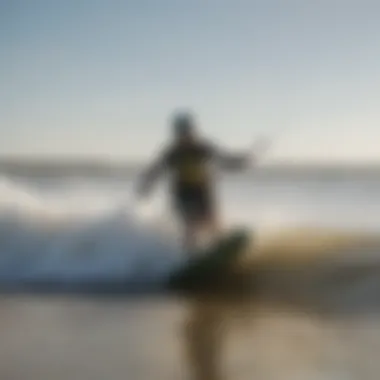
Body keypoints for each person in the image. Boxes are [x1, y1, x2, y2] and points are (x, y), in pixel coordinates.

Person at [136, 111, 268, 254]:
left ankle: (219, 248)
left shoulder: (203, 147)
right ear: (176, 134)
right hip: (182, 193)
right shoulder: (173, 153)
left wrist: (243, 160)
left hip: (203, 190)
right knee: (191, 224)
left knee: (212, 221)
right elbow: (156, 170)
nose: (184, 136)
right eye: (180, 133)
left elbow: (225, 160)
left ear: (192, 130)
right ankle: (189, 256)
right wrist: (145, 185)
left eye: (187, 131)